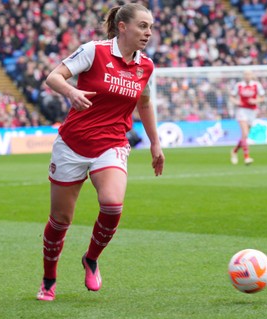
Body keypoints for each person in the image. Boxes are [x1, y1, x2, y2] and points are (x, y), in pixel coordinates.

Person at [36, 3, 165, 301]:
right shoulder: (94, 51)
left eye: (150, 27)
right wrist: (71, 91)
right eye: (142, 26)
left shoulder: (146, 65)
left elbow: (143, 103)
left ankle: (91, 258)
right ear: (123, 27)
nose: (148, 32)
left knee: (111, 204)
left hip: (112, 144)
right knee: (60, 219)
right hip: (72, 145)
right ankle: (49, 278)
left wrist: (156, 143)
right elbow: (54, 76)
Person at [229, 70, 265, 165]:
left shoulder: (257, 85)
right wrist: (236, 102)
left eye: (249, 74)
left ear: (252, 75)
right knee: (244, 133)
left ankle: (234, 151)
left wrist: (256, 101)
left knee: (245, 136)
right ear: (243, 76)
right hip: (242, 111)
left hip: (252, 112)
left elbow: (262, 97)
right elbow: (231, 97)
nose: (247, 76)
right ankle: (247, 158)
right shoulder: (239, 85)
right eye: (245, 74)